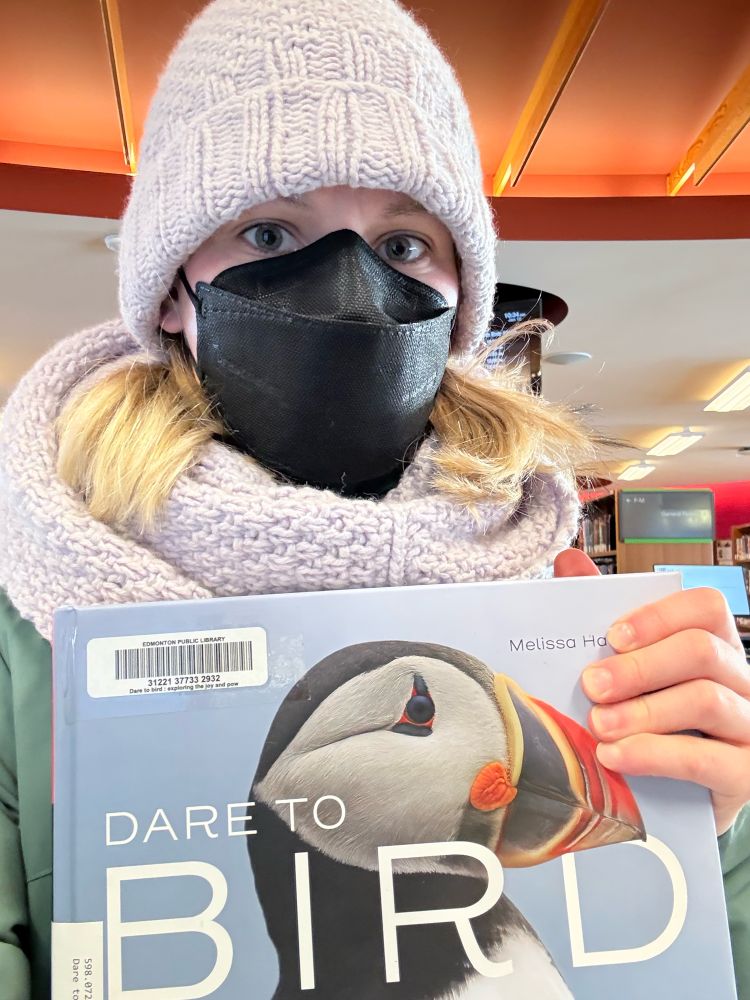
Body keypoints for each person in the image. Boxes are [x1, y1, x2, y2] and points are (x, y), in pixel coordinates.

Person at [0, 1, 749, 997]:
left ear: (458, 302)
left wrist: (712, 827)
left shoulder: (567, 602)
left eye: (403, 247)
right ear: (173, 289)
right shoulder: (31, 611)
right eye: (269, 231)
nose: (350, 289)